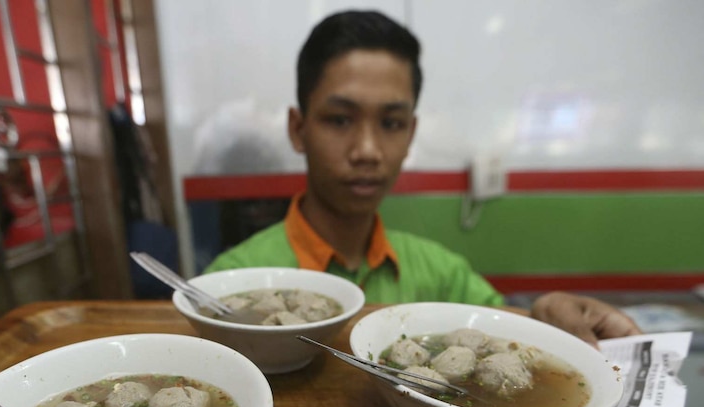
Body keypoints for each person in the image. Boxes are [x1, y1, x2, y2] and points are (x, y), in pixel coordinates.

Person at [204, 9, 640, 346]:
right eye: (339, 120)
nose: (368, 151)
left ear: (410, 134)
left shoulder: (444, 276)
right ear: (298, 130)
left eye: (391, 124)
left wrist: (545, 314)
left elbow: (511, 329)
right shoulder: (236, 281)